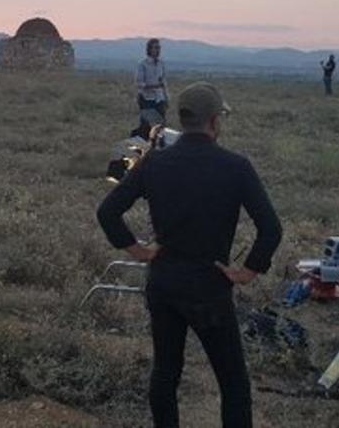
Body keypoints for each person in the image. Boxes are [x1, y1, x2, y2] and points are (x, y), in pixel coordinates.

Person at [98, 83, 283, 428]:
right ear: (214, 121)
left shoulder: (154, 162)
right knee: (233, 383)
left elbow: (108, 212)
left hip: (164, 284)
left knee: (166, 373)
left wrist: (139, 251)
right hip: (209, 289)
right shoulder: (236, 166)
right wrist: (247, 272)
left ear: (183, 119)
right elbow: (271, 228)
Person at [134, 38, 169, 139]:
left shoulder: (161, 64)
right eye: (156, 48)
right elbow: (139, 83)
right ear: (149, 49)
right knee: (145, 126)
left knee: (160, 127)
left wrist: (166, 98)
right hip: (147, 99)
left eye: (159, 48)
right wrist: (153, 86)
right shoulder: (142, 64)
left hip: (159, 99)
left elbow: (163, 82)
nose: (158, 50)